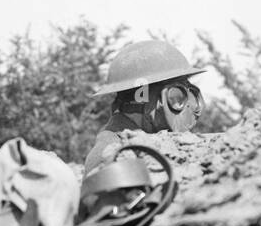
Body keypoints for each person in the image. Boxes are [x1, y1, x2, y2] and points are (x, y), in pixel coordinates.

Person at [84, 40, 207, 176]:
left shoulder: (151, 142)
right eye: (175, 97)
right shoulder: (112, 156)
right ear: (141, 98)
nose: (186, 105)